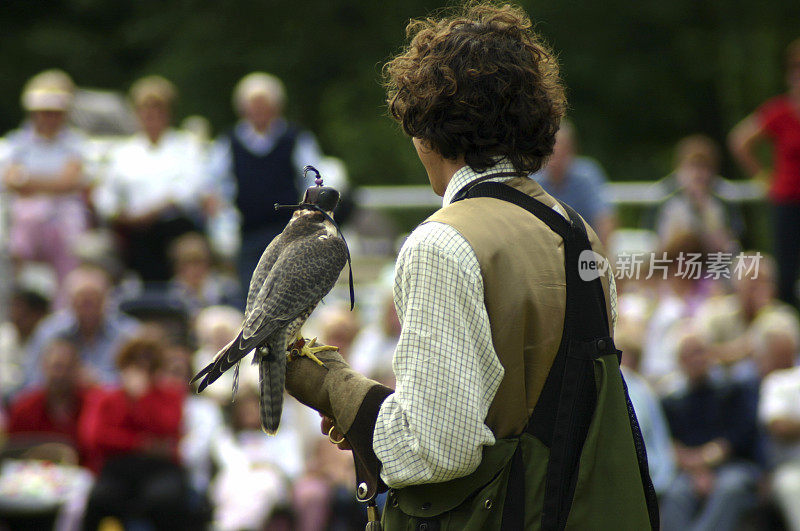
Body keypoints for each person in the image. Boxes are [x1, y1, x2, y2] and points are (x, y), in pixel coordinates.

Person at [283, 4, 658, 529]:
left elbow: (437, 450)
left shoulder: (440, 243)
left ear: (428, 127)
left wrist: (331, 386)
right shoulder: (579, 234)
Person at [207, 72, 325, 292]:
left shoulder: (295, 138)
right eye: (253, 105)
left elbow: (314, 180)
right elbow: (213, 185)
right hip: (247, 233)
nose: (258, 111)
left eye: (264, 105)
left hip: (289, 232)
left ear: (276, 107)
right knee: (251, 293)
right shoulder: (229, 141)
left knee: (290, 292)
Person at [94, 75, 208, 282]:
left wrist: (154, 211)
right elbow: (104, 196)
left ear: (169, 113)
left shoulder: (185, 147)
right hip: (133, 229)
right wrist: (121, 214)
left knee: (184, 245)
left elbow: (191, 189)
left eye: (158, 109)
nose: (151, 115)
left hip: (175, 224)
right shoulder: (123, 152)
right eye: (145, 109)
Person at [79, 334, 189, 530]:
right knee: (100, 499)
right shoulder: (105, 397)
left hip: (159, 468)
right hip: (119, 467)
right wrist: (140, 443)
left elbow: (167, 428)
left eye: (149, 361)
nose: (142, 366)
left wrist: (141, 398)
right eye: (135, 360)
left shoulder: (171, 395)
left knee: (165, 500)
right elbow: (97, 437)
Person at [659, 330, 762, 531]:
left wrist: (705, 462)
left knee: (729, 488)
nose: (696, 359)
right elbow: (671, 444)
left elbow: (739, 437)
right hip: (688, 472)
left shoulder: (733, 391)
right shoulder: (671, 402)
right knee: (675, 494)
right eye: (689, 355)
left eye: (700, 352)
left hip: (733, 466)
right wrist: (697, 469)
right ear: (680, 362)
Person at [2, 69, 90, 291]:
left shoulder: (76, 142)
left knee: (70, 246)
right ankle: (20, 298)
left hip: (65, 217)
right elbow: (11, 181)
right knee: (26, 221)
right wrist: (55, 184)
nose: (49, 118)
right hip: (26, 218)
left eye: (55, 112)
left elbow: (70, 182)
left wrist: (30, 182)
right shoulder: (17, 142)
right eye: (44, 111)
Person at [729, 37, 800, 309]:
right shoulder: (779, 111)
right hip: (787, 198)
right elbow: (740, 140)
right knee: (786, 270)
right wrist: (763, 177)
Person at [24, 264, 140, 387]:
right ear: (69, 300)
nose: (87, 305)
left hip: (113, 403)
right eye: (81, 298)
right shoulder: (50, 332)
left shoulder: (129, 334)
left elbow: (138, 384)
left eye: (94, 298)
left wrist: (98, 382)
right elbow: (31, 381)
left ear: (106, 298)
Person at [532, 120, 616, 244]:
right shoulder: (534, 180)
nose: (555, 157)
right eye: (550, 150)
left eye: (560, 151)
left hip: (586, 248)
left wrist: (601, 257)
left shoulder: (587, 175)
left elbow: (605, 219)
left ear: (572, 151)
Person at [653, 135, 740, 254]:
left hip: (715, 264)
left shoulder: (724, 199)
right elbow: (659, 245)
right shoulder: (665, 198)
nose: (697, 174)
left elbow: (730, 246)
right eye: (692, 166)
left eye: (703, 167)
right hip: (675, 265)